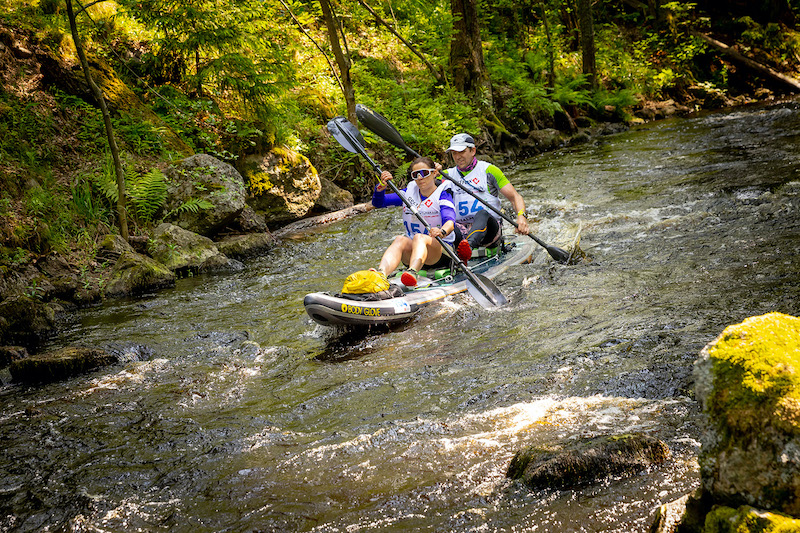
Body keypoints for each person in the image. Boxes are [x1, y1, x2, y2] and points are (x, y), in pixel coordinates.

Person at [371, 156, 468, 287]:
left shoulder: (443, 194)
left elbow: (450, 221)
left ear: (434, 173)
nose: (420, 178)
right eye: (415, 174)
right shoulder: (408, 193)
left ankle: (412, 272)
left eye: (424, 173)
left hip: (441, 252)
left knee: (419, 237)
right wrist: (381, 188)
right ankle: (381, 274)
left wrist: (441, 231)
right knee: (400, 239)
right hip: (414, 252)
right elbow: (379, 203)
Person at [441, 133, 530, 260]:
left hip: (489, 230)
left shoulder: (489, 170)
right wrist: (431, 172)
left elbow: (515, 197)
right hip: (461, 231)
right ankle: (458, 250)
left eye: (461, 152)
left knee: (482, 214)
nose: (457, 156)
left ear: (473, 151)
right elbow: (423, 186)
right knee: (447, 224)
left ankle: (467, 249)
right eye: (454, 153)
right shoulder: (445, 175)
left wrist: (521, 218)